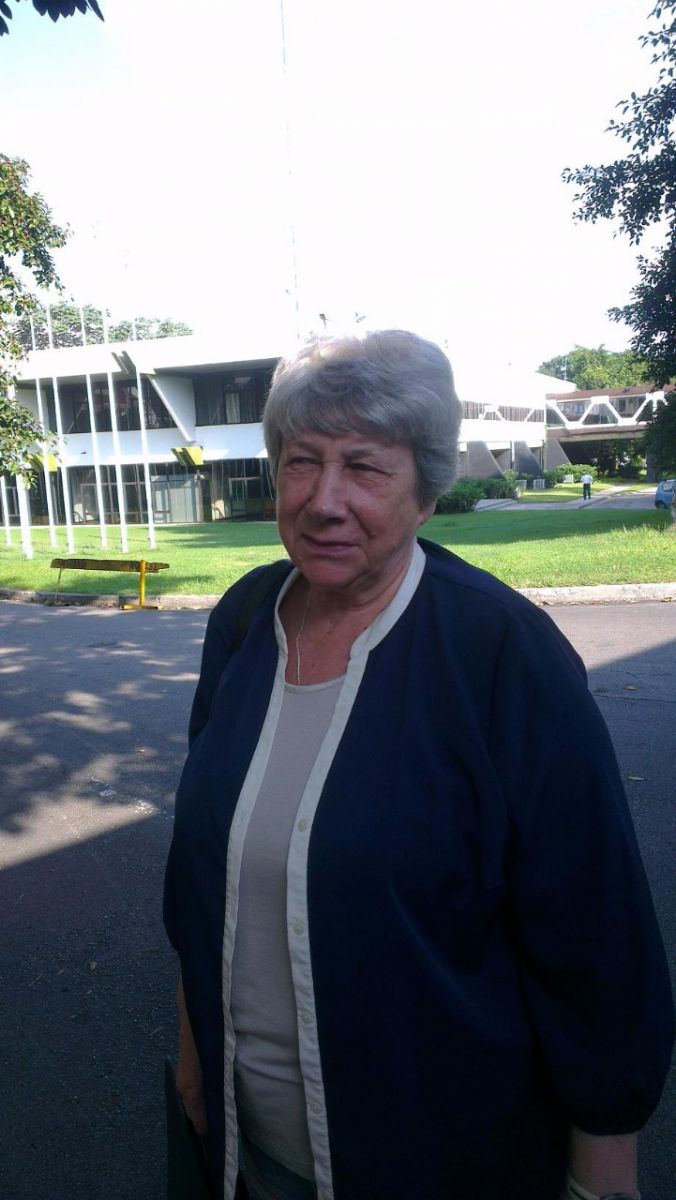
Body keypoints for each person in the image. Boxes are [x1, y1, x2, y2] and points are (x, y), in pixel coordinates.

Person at [164, 330, 673, 1200]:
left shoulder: (501, 652)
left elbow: (594, 933)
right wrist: (192, 1051)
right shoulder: (245, 621)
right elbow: (202, 873)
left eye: (364, 467)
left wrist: (602, 1175)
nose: (324, 501)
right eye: (301, 462)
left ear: (427, 490)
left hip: (443, 1160)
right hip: (250, 1154)